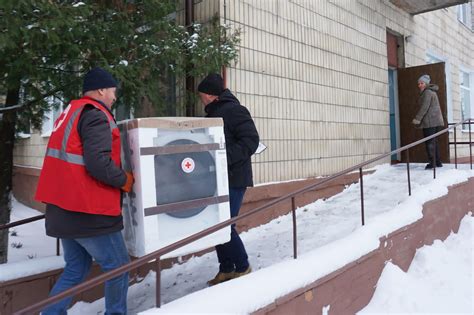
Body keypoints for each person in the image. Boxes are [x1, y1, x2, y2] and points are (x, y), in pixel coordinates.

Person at [35, 67, 134, 314]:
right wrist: (125, 180)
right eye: (112, 91)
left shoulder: (70, 113)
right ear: (101, 90)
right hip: (89, 211)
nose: (114, 97)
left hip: (62, 209)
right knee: (119, 267)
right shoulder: (96, 115)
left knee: (76, 269)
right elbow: (98, 163)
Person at [198, 73, 259, 286]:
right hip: (216, 178)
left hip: (234, 178)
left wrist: (223, 157)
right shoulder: (213, 116)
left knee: (225, 225)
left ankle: (243, 266)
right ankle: (226, 268)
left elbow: (251, 140)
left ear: (209, 94)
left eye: (201, 95)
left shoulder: (235, 111)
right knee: (216, 225)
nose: (201, 99)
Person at [412, 74, 445, 169]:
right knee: (434, 141)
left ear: (426, 84)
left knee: (429, 142)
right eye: (419, 83)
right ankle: (437, 162)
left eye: (422, 83)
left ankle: (432, 163)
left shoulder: (427, 92)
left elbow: (424, 107)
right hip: (435, 121)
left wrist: (417, 119)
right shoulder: (431, 92)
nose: (420, 85)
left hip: (430, 122)